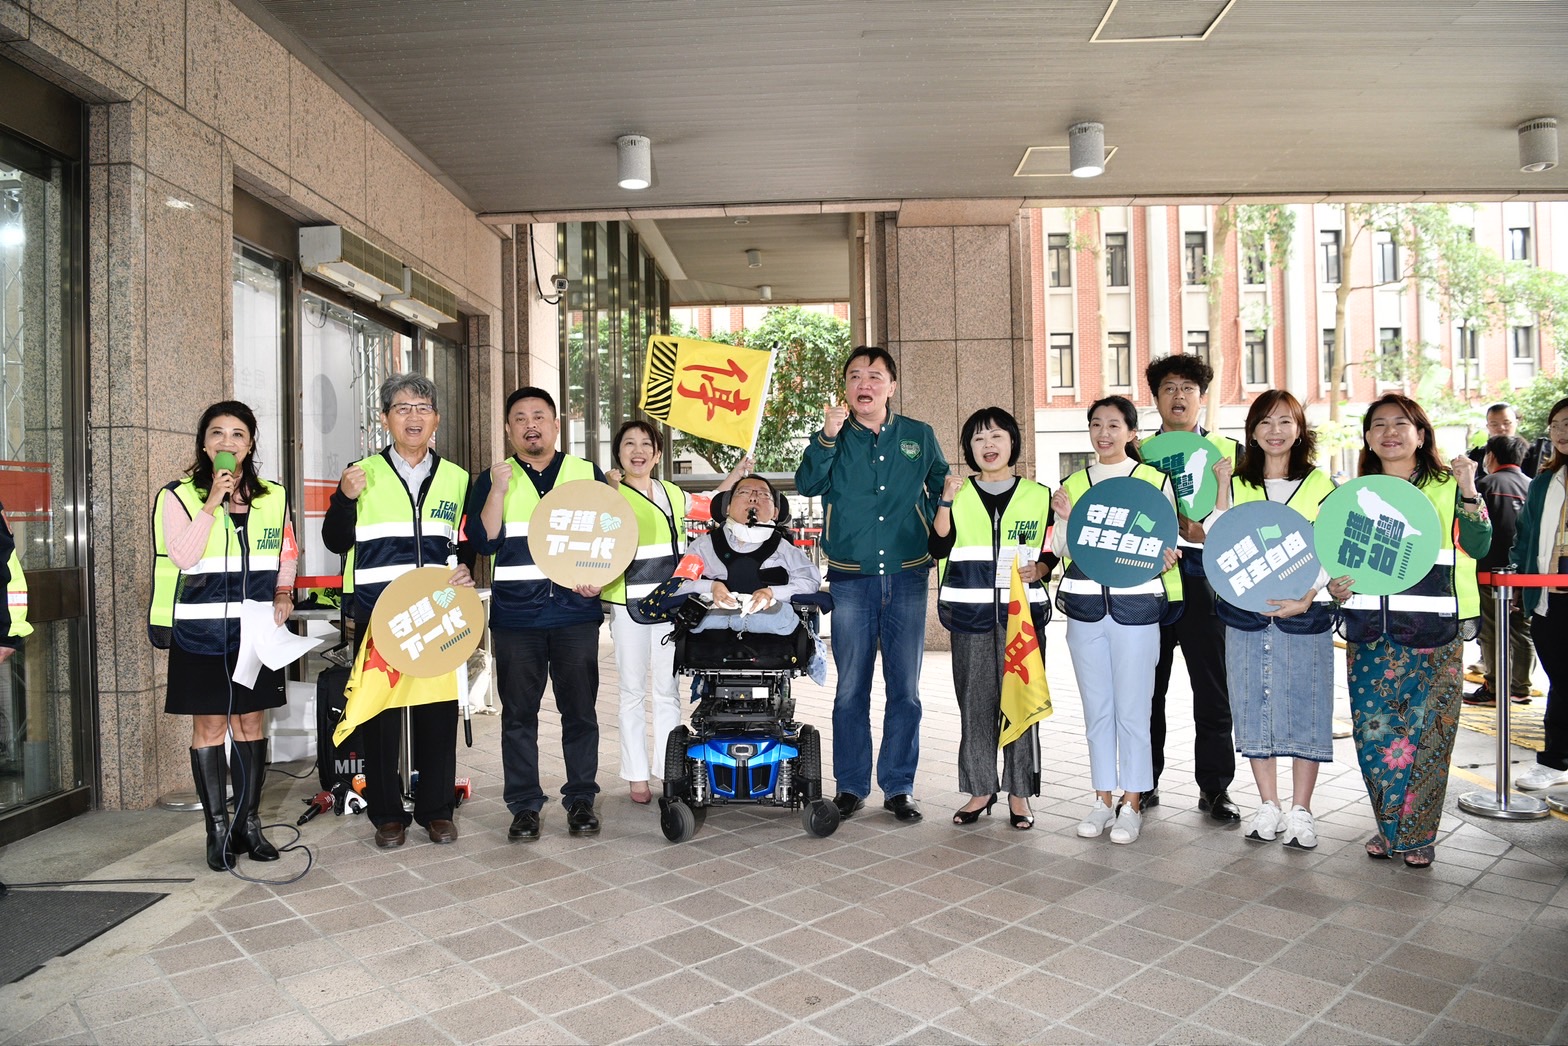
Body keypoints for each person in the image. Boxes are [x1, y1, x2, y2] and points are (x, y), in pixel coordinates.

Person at [1331, 393, 1489, 869]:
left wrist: (1467, 488)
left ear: (1422, 434)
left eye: (1401, 423)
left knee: (1428, 736)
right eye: (1378, 424)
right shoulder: (1354, 494)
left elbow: (1479, 544)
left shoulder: (1446, 486)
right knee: (1374, 734)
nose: (1390, 432)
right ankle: (1387, 826)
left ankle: (1418, 834)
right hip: (1369, 632)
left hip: (1434, 631)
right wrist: (1336, 586)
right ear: (1367, 438)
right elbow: (1337, 561)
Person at [796, 346, 947, 823]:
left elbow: (941, 481)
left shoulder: (918, 435)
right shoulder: (834, 438)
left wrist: (934, 512)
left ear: (892, 386)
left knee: (906, 689)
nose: (865, 384)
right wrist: (826, 437)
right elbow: (806, 484)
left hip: (907, 574)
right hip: (851, 579)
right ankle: (852, 786)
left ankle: (899, 786)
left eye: (875, 376)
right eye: (856, 376)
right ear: (846, 388)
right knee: (850, 689)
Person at [322, 376, 474, 849]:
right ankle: (387, 814)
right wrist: (344, 499)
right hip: (379, 614)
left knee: (436, 712)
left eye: (422, 408)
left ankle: (436, 810)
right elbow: (334, 541)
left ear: (436, 420)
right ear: (385, 418)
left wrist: (466, 568)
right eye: (402, 408)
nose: (413, 416)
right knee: (379, 714)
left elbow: (464, 543)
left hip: (437, 612)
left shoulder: (457, 477)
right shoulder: (359, 473)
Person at [150, 401, 295, 870]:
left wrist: (284, 590)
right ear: (204, 443)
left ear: (250, 443)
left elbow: (286, 549)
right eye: (217, 434)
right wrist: (212, 501)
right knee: (210, 728)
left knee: (251, 726)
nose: (227, 443)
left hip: (256, 633)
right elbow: (185, 558)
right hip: (202, 634)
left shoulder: (274, 495)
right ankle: (216, 831)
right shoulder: (177, 496)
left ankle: (248, 826)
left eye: (237, 434)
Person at [467, 387, 607, 841]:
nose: (531, 424)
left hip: (574, 614)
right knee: (518, 717)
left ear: (555, 424)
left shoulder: (586, 473)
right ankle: (524, 805)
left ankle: (581, 799)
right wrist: (498, 490)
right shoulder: (493, 477)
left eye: (540, 416)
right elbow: (484, 543)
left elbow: (613, 536)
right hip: (517, 618)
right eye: (521, 418)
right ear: (508, 429)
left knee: (580, 712)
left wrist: (600, 578)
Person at [1209, 391, 1336, 849]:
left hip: (1306, 613)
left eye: (1285, 421)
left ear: (1300, 429)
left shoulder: (1321, 484)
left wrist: (1307, 596)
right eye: (1265, 422)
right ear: (1252, 431)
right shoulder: (1240, 484)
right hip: (1245, 615)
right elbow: (1217, 542)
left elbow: (1332, 544)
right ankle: (1269, 804)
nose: (1275, 431)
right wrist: (1222, 487)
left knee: (1307, 705)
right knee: (1252, 706)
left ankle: (1302, 809)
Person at [1050, 396, 1181, 846]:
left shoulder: (1152, 480)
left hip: (1137, 609)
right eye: (1095, 425)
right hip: (1086, 609)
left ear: (1131, 433)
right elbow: (1065, 551)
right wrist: (1065, 518)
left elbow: (1165, 541)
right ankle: (1102, 798)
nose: (1103, 433)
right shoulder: (1075, 481)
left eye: (1113, 425)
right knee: (1097, 710)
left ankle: (1133, 802)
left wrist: (1167, 558)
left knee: (1134, 710)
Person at [601, 421, 746, 803]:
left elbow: (714, 502)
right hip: (626, 602)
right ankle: (635, 774)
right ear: (618, 453)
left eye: (646, 444)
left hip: (671, 605)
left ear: (658, 454)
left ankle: (669, 769)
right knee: (631, 691)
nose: (638, 450)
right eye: (629, 444)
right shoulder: (609, 493)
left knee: (667, 691)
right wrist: (607, 492)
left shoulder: (671, 492)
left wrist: (737, 475)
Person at [930, 407, 1052, 831]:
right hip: (969, 614)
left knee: (1022, 701)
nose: (988, 445)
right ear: (969, 448)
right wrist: (945, 499)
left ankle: (1020, 793)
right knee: (975, 705)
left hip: (1023, 618)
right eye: (979, 439)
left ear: (1013, 443)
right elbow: (938, 545)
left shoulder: (1039, 496)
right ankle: (980, 789)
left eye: (997, 436)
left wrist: (1043, 569)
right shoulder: (957, 494)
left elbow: (1052, 549)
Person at [1143, 354, 1241, 823]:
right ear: (1156, 398)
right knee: (1147, 689)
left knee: (1213, 688)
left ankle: (1216, 788)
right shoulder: (1138, 452)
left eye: (1187, 388)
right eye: (1168, 388)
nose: (1178, 396)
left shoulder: (1230, 453)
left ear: (1201, 397)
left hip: (1208, 580)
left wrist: (1211, 530)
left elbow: (1246, 520)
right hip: (1151, 582)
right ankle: (1143, 783)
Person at [1507, 396, 1568, 793]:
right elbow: (1525, 535)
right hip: (1548, 593)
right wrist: (1517, 578)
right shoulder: (1545, 481)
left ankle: (1554, 758)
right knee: (1560, 677)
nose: (1562, 431)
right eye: (1557, 424)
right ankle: (1554, 760)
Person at [671, 474, 821, 633]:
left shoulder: (785, 549)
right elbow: (678, 584)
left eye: (764, 495)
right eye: (744, 492)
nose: (753, 498)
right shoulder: (702, 547)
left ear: (775, 513)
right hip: (713, 639)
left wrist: (771, 593)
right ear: (727, 508)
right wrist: (711, 587)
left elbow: (811, 581)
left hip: (771, 638)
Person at [1465, 434, 1534, 708]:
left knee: (1492, 630)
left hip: (1490, 572)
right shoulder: (1533, 485)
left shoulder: (1485, 485)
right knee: (1521, 629)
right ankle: (1521, 687)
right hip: (1527, 573)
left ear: (1491, 457)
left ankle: (1495, 687)